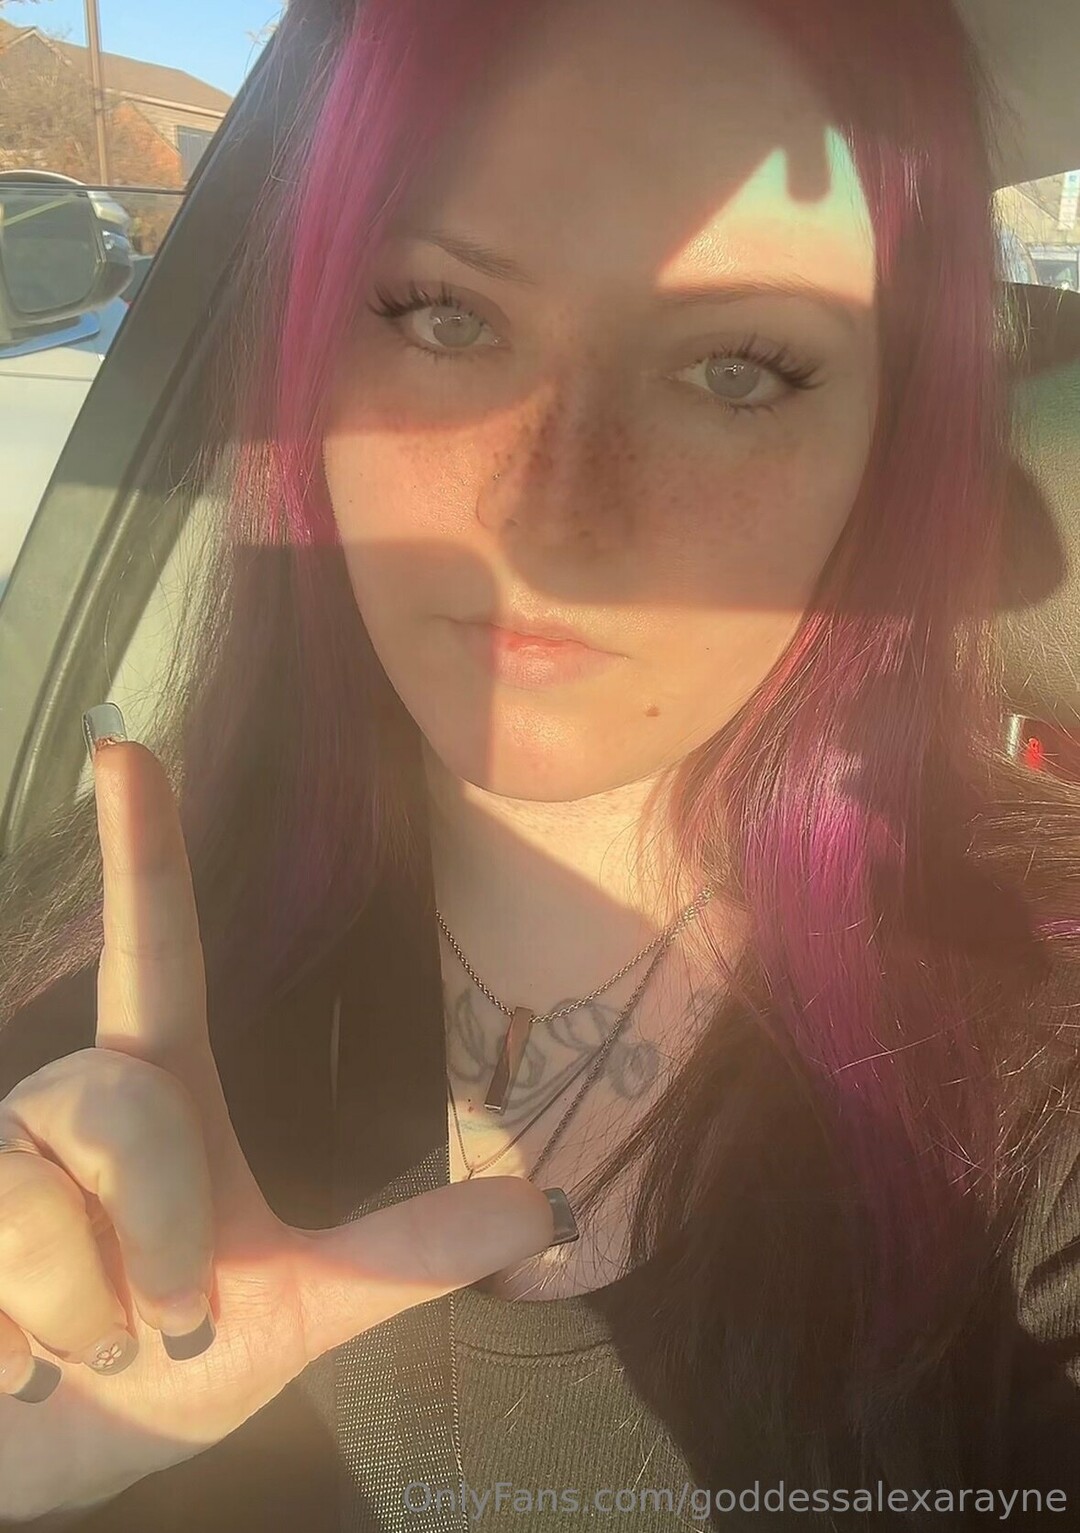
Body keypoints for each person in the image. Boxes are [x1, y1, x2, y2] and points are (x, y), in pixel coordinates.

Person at [1, 0, 1080, 1528]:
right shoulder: (70, 985)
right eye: (445, 315)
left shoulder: (1038, 1077)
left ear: (887, 447)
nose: (553, 525)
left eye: (740, 368)